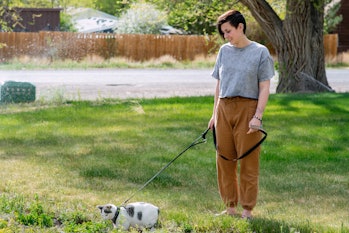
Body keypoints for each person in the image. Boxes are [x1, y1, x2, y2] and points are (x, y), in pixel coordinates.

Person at [207, 9, 274, 219]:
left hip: (248, 109)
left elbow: (264, 87)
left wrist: (258, 116)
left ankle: (247, 209)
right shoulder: (224, 51)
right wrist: (214, 115)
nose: (226, 36)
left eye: (228, 31)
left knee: (248, 161)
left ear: (240, 27)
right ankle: (230, 208)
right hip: (224, 109)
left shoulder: (260, 52)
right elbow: (219, 84)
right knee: (224, 160)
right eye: (223, 33)